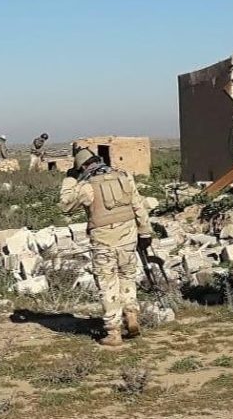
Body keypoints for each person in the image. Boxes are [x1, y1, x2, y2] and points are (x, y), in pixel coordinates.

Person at [59, 148, 152, 347]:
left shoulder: (86, 186)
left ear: (82, 167)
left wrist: (69, 179)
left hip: (103, 241)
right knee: (127, 277)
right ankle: (131, 314)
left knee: (107, 283)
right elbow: (138, 205)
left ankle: (113, 332)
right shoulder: (123, 176)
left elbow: (65, 205)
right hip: (128, 237)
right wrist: (145, 232)